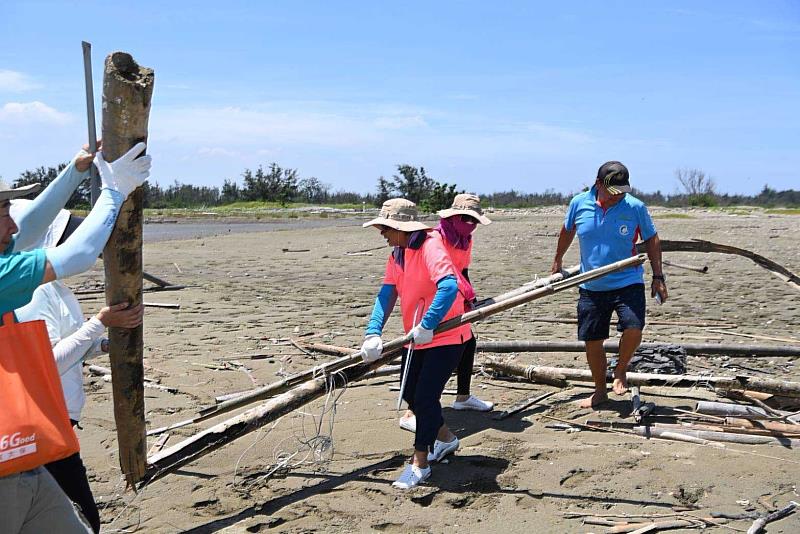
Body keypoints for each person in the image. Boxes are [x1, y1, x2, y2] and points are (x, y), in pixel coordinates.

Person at [0, 142, 151, 533]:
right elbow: (79, 254)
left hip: (23, 451)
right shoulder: (3, 276)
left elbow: (31, 225)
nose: (13, 225)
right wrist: (114, 191)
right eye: (2, 213)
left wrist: (75, 171)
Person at [360, 198, 472, 490]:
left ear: (402, 227)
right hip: (417, 336)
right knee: (411, 393)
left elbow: (449, 286)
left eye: (386, 227)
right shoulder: (398, 254)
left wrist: (430, 323)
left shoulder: (430, 245)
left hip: (447, 334)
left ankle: (420, 463)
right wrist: (373, 333)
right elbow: (386, 295)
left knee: (424, 398)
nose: (382, 233)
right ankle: (446, 438)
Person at [551, 161, 667, 408]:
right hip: (592, 285)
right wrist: (558, 259)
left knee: (634, 327)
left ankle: (621, 369)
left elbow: (652, 240)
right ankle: (599, 391)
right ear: (598, 184)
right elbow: (567, 230)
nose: (618, 196)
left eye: (622, 190)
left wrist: (658, 277)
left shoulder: (635, 207)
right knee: (593, 340)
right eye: (613, 191)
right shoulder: (579, 204)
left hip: (628, 280)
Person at [398, 194, 493, 433]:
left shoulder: (465, 239)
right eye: (465, 219)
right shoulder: (436, 238)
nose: (470, 225)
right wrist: (463, 293)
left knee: (469, 342)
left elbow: (462, 270)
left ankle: (463, 396)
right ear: (452, 217)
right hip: (433, 298)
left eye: (474, 221)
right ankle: (412, 411)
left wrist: (470, 298)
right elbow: (445, 276)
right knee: (423, 350)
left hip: (456, 296)